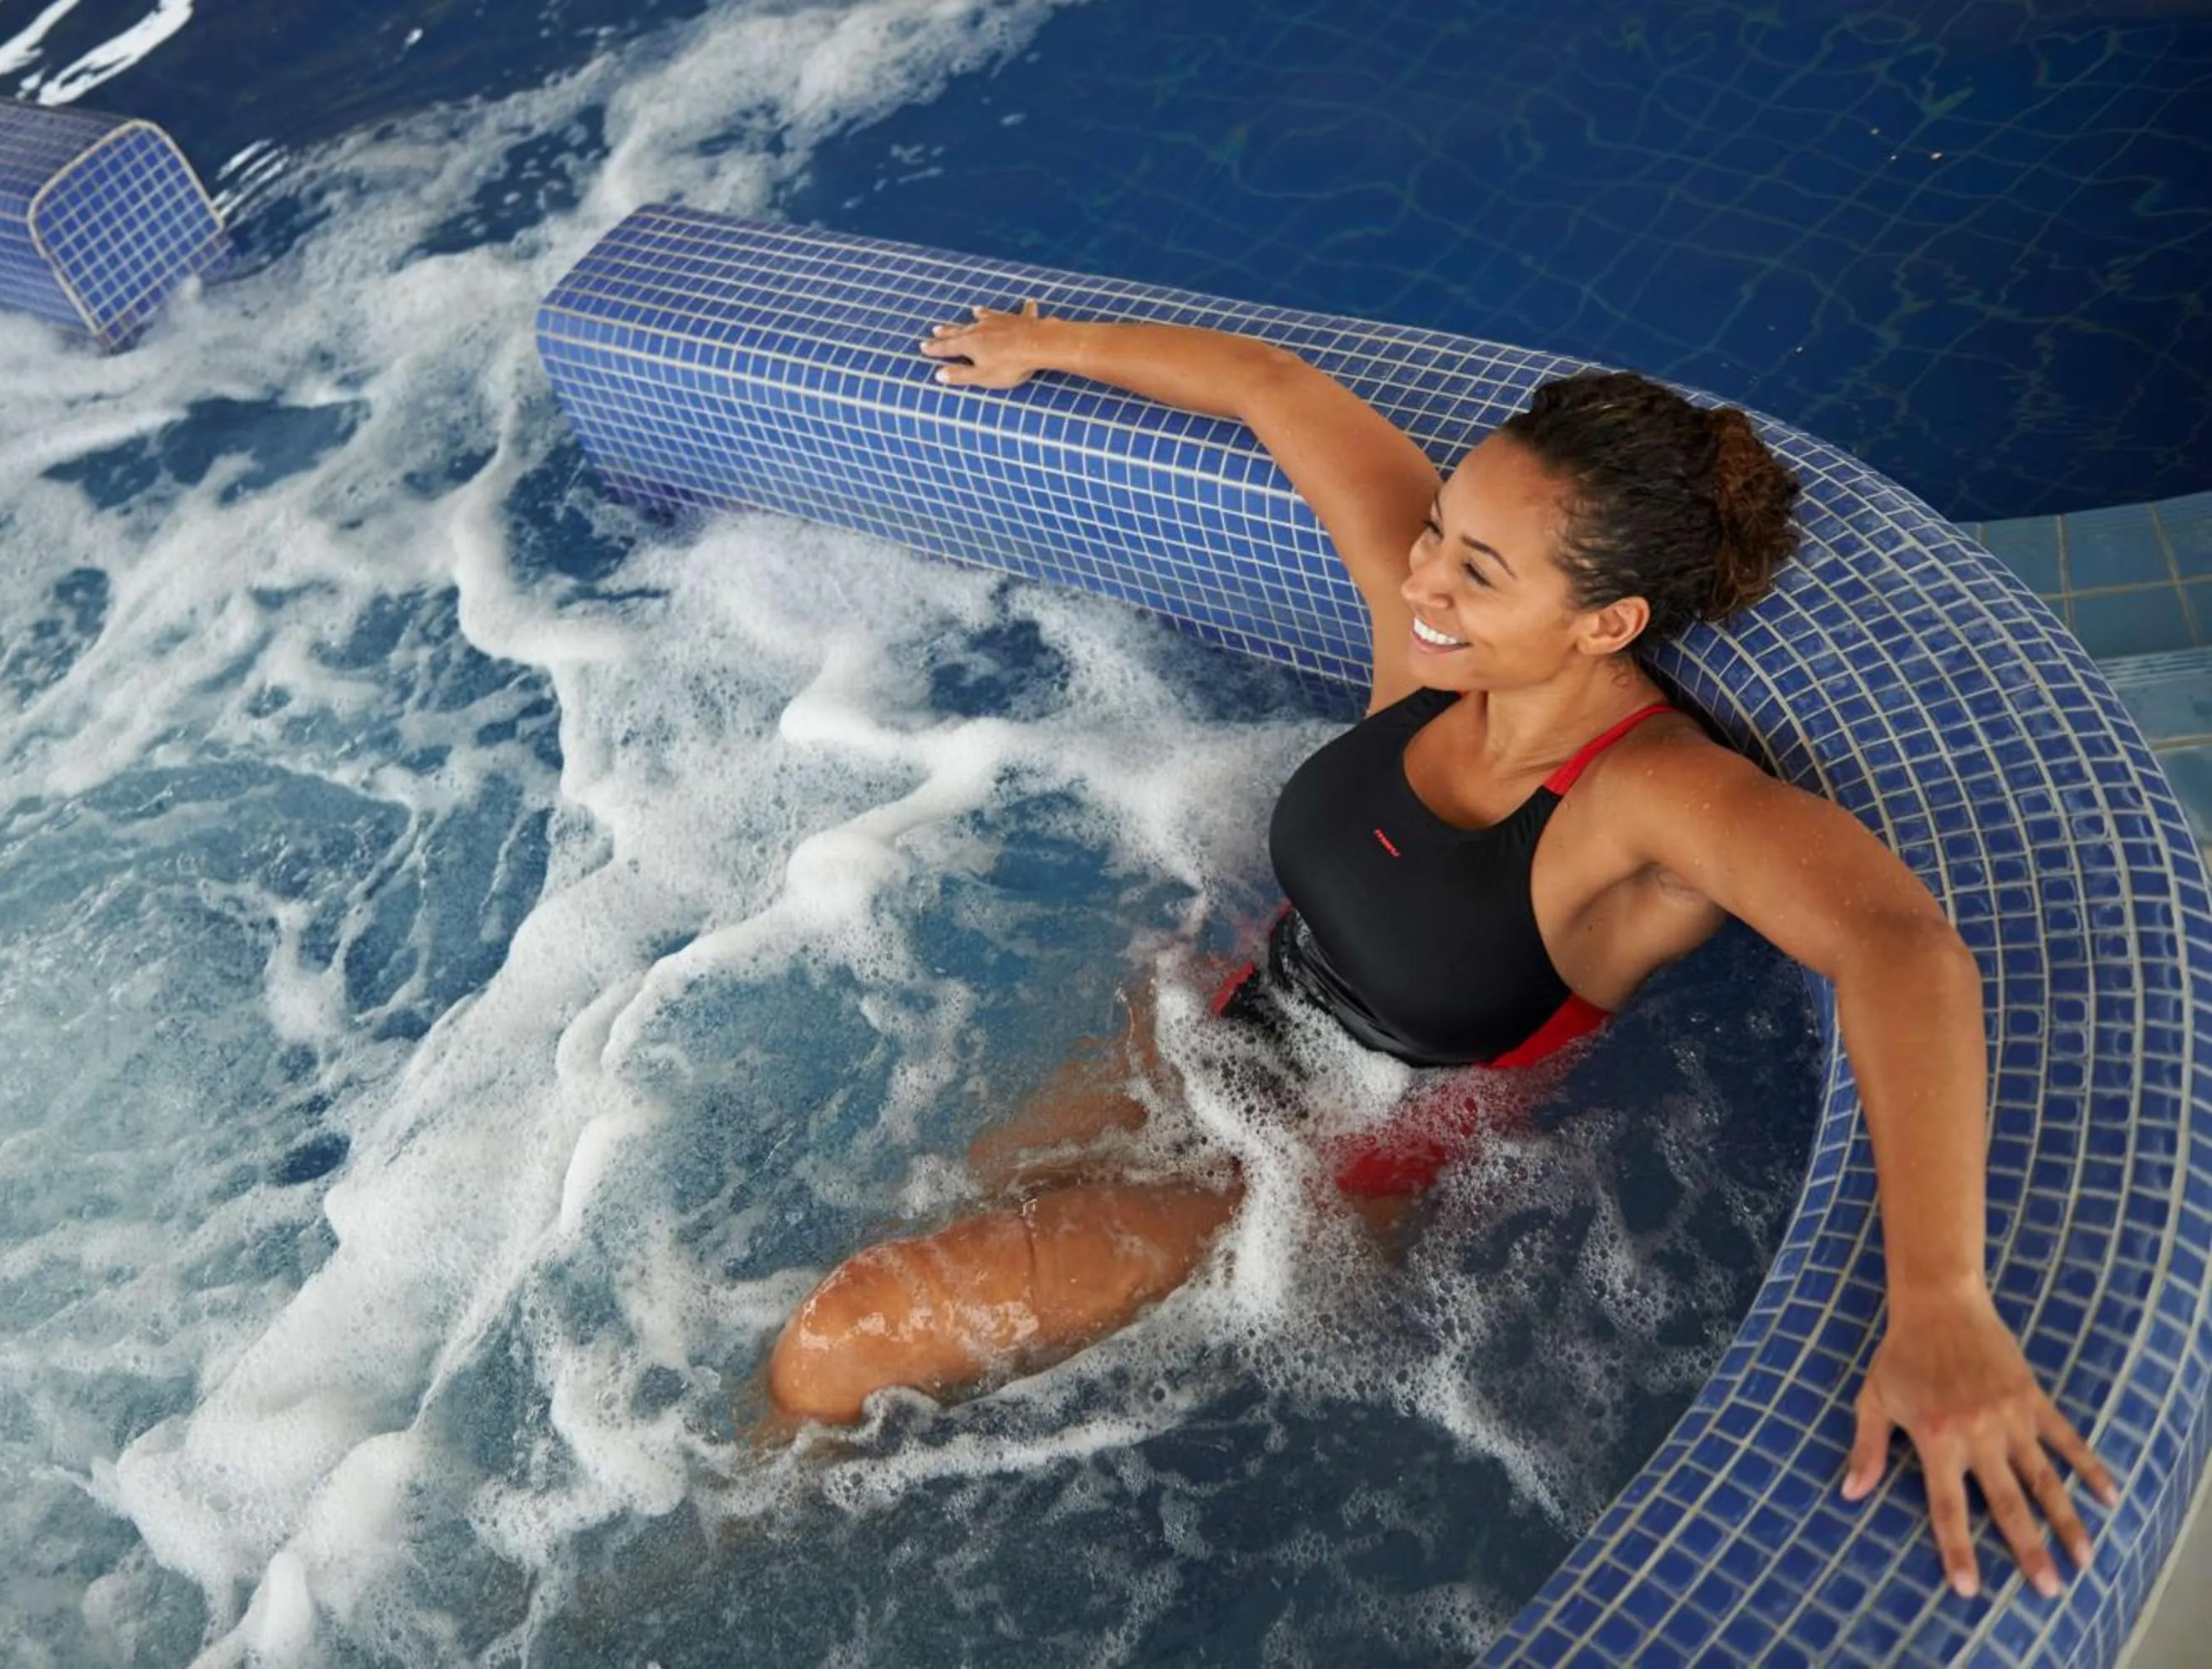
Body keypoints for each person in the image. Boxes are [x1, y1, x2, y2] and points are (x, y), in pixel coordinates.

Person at [764, 303, 2115, 1601]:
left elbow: (1902, 949)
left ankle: (734, 1553)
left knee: (844, 1337)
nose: (1422, 578)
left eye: (1479, 568)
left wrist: (1942, 1299)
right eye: (1438, 531)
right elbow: (1280, 391)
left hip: (1318, 1180)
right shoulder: (1431, 662)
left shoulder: (1644, 800)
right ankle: (762, 1522)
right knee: (877, 1310)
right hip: (1199, 1037)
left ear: (1608, 624)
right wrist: (1041, 345)